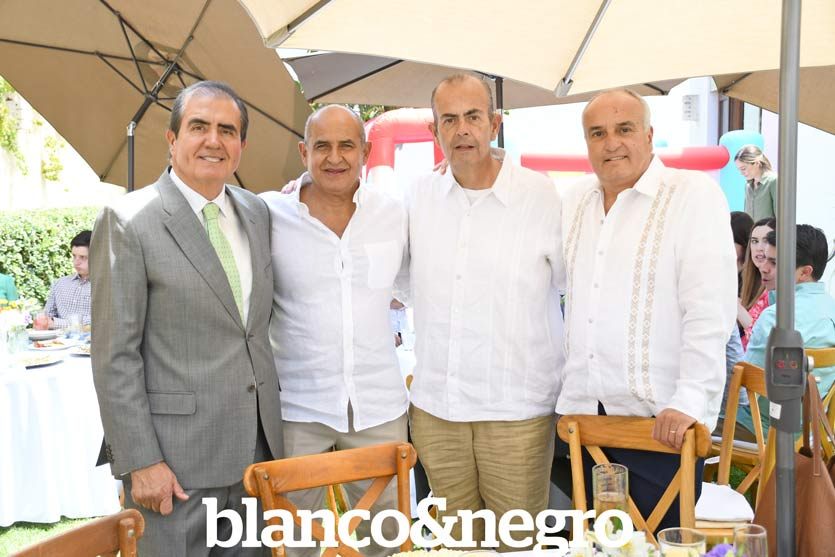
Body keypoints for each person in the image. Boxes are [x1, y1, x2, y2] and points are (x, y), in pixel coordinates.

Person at [91, 80, 283, 556]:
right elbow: (115, 356)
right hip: (174, 468)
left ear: (241, 146)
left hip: (257, 457)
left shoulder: (257, 212)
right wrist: (141, 461)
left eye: (227, 130)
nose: (213, 140)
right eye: (199, 127)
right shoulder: (128, 220)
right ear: (172, 138)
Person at [557, 88, 737, 532]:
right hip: (584, 418)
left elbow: (709, 310)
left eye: (624, 129)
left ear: (649, 135)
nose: (611, 143)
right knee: (595, 545)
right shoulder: (575, 199)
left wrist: (689, 400)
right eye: (597, 133)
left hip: (662, 423)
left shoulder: (691, 195)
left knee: (661, 542)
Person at [406, 73, 565, 551]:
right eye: (449, 119)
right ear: (434, 130)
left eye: (473, 117)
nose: (462, 130)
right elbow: (397, 279)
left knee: (517, 545)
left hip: (516, 413)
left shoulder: (541, 196)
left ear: (494, 124)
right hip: (438, 411)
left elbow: (572, 286)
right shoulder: (418, 197)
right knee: (455, 547)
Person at [260, 105, 408, 557]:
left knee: (387, 535)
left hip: (378, 406)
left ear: (365, 151)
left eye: (347, 145)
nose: (335, 157)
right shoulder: (268, 214)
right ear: (303, 152)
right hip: (298, 407)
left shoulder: (395, 213)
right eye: (322, 146)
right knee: (296, 539)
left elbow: (414, 284)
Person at [737, 225, 835, 437]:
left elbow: (743, 390)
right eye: (765, 259)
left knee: (684, 423)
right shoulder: (831, 309)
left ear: (805, 272)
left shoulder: (776, 317)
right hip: (812, 433)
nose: (763, 268)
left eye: (774, 263)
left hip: (763, 429)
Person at [739, 218, 777, 348]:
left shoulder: (779, 284)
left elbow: (761, 336)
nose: (759, 248)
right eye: (754, 241)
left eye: (766, 241)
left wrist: (735, 306)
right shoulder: (748, 278)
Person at [43, 230, 91, 328]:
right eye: (74, 256)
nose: (76, 262)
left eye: (83, 257)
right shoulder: (59, 284)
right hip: (57, 338)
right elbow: (46, 318)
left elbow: (99, 321)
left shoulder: (106, 286)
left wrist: (56, 323)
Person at [735, 145, 777, 221]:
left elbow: (781, 218)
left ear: (757, 163)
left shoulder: (774, 181)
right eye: (739, 170)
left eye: (743, 168)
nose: (741, 173)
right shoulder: (748, 186)